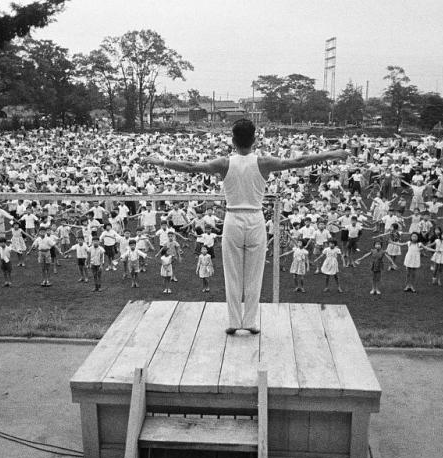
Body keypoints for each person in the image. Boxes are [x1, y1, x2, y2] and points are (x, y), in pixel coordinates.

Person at [142, 118, 348, 334]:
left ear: (233, 141)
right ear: (255, 140)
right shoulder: (263, 162)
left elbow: (191, 167)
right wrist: (330, 154)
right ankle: (248, 321)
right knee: (254, 273)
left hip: (233, 219)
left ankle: (234, 321)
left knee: (232, 273)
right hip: (255, 218)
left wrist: (161, 162)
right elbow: (298, 161)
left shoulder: (224, 163)